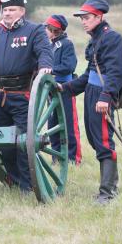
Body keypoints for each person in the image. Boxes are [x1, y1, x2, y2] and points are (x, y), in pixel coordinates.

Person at [0, 0, 53, 192]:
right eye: (4, 10)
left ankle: (28, 186)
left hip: (22, 96)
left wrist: (46, 67)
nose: (7, 13)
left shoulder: (34, 30)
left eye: (11, 9)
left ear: (22, 11)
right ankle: (16, 182)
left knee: (23, 144)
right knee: (4, 143)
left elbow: (45, 51)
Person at [59, 0, 122, 204]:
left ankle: (108, 192)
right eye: (82, 18)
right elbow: (89, 74)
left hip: (102, 95)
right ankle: (108, 187)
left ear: (99, 17)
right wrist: (66, 88)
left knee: (104, 142)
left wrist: (106, 96)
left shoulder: (111, 37)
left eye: (87, 18)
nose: (83, 21)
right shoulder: (95, 39)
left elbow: (116, 72)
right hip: (91, 92)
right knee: (95, 140)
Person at [44, 15, 82, 165]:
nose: (45, 30)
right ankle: (56, 157)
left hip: (65, 89)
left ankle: (74, 158)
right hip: (51, 89)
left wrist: (51, 70)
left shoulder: (67, 44)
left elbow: (69, 66)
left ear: (54, 30)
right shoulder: (50, 45)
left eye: (47, 28)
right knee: (52, 125)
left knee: (69, 125)